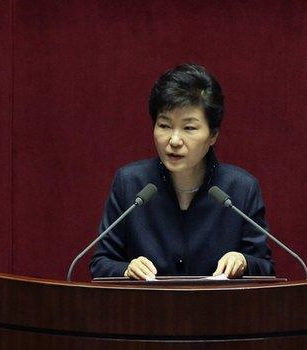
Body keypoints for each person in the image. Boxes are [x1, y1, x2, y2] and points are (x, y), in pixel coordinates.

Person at [89, 63, 275, 280]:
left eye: (189, 128)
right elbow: (100, 263)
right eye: (165, 125)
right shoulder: (129, 183)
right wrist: (126, 269)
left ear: (213, 135)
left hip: (217, 303)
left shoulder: (241, 189)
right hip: (147, 302)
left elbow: (265, 267)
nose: (174, 140)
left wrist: (244, 262)